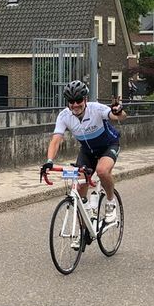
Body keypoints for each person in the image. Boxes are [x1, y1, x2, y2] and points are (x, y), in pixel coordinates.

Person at [42, 81, 127, 237]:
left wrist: (119, 111)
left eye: (79, 100)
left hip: (108, 145)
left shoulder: (96, 109)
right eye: (71, 101)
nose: (75, 105)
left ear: (85, 99)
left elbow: (118, 116)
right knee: (79, 185)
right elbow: (56, 139)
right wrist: (49, 161)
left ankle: (110, 203)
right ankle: (85, 226)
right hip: (87, 151)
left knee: (102, 171)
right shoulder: (64, 116)